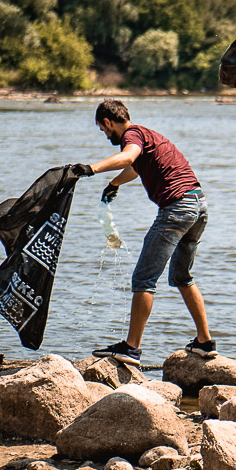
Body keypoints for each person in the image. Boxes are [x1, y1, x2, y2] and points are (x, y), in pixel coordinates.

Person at [77, 100, 216, 364]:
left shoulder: (131, 135)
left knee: (143, 279)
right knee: (181, 275)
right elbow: (134, 167)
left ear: (108, 122)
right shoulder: (148, 134)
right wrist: (114, 183)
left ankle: (131, 348)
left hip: (177, 208)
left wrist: (91, 168)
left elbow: (128, 157)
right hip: (199, 205)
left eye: (103, 129)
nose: (106, 135)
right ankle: (205, 342)